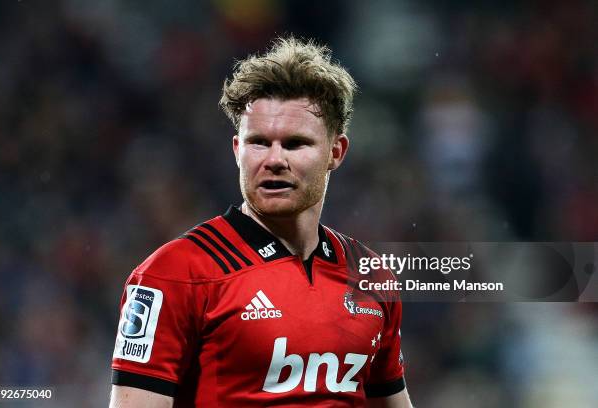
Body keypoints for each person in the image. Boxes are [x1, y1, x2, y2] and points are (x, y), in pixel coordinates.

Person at [109, 36, 413, 408]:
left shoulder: (370, 276)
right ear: (238, 150)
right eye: (259, 142)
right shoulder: (174, 274)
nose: (273, 160)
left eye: (295, 144)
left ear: (336, 151)